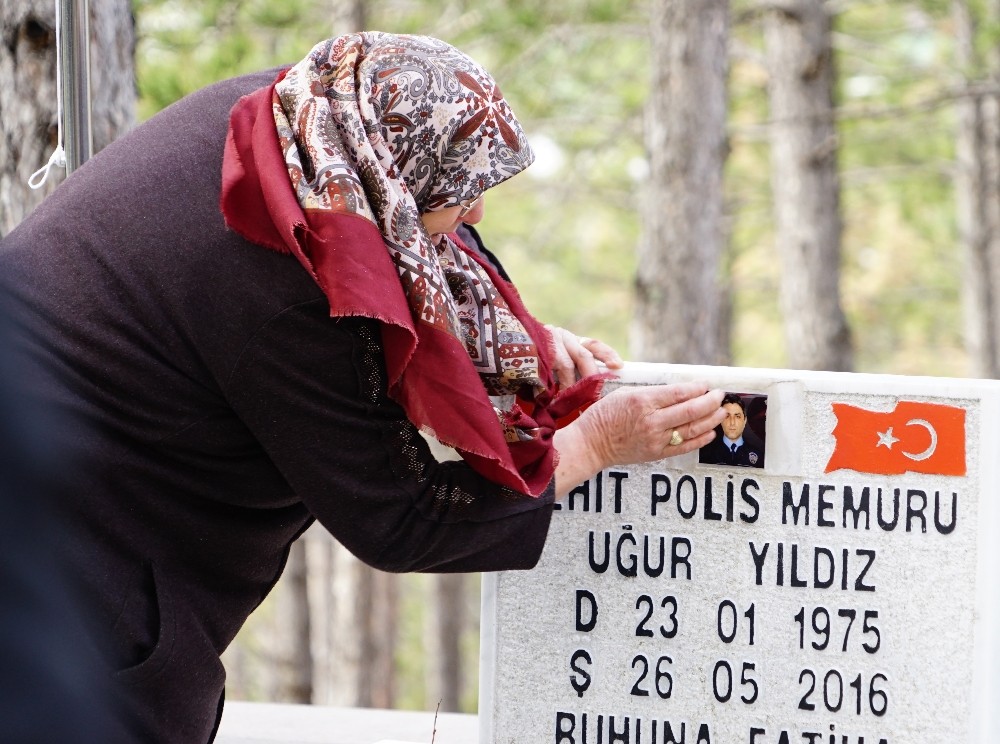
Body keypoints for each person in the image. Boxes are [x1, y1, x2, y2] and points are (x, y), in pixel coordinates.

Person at [0, 32, 725, 742]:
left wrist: (518, 332)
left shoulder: (313, 111)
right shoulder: (283, 289)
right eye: (460, 193)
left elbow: (419, 233)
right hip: (66, 546)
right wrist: (592, 444)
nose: (476, 214)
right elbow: (402, 519)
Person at [698, 392, 765, 468]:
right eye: (727, 416)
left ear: (745, 420)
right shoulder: (706, 455)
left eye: (737, 416)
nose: (732, 422)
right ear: (720, 420)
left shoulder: (759, 457)